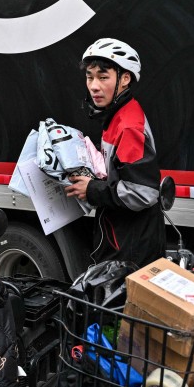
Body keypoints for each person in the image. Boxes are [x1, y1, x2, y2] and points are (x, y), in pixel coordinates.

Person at [64, 38, 166, 266]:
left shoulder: (128, 125)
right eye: (90, 77)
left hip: (130, 249)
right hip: (124, 240)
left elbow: (142, 192)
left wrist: (92, 189)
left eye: (103, 77)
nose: (93, 86)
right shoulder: (117, 115)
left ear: (125, 79)